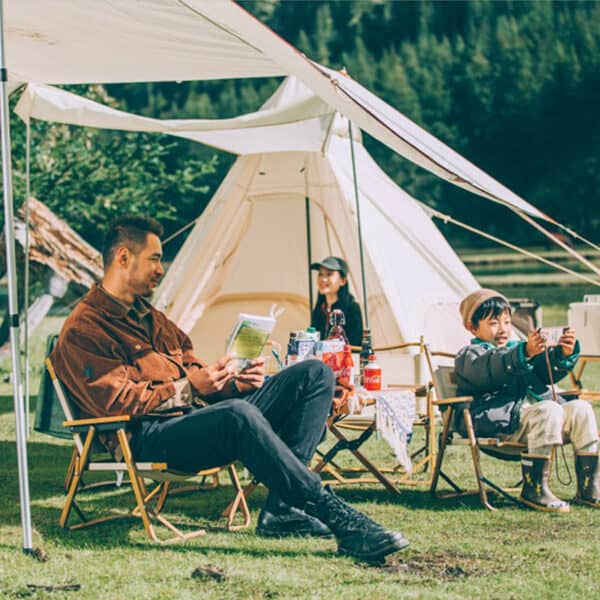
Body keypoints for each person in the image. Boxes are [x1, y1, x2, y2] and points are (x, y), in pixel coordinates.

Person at [51, 215, 409, 561]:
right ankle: (340, 519)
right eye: (155, 259)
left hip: (198, 417)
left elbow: (193, 372)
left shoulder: (152, 318)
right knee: (239, 414)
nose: (161, 269)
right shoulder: (85, 328)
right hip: (147, 435)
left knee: (314, 374)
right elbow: (116, 402)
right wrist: (190, 388)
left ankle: (282, 511)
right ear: (124, 258)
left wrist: (229, 381)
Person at [455, 288, 600, 512]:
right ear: (472, 327)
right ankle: (534, 489)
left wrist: (561, 354)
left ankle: (589, 487)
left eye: (506, 322)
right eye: (493, 323)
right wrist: (525, 353)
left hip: (534, 422)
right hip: (502, 426)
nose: (502, 329)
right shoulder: (470, 355)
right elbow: (494, 367)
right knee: (549, 409)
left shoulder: (517, 351)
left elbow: (542, 371)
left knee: (581, 408)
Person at [310, 256, 363, 346]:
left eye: (329, 274)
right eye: (320, 274)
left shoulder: (352, 308)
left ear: (342, 281)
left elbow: (355, 345)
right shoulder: (320, 308)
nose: (323, 279)